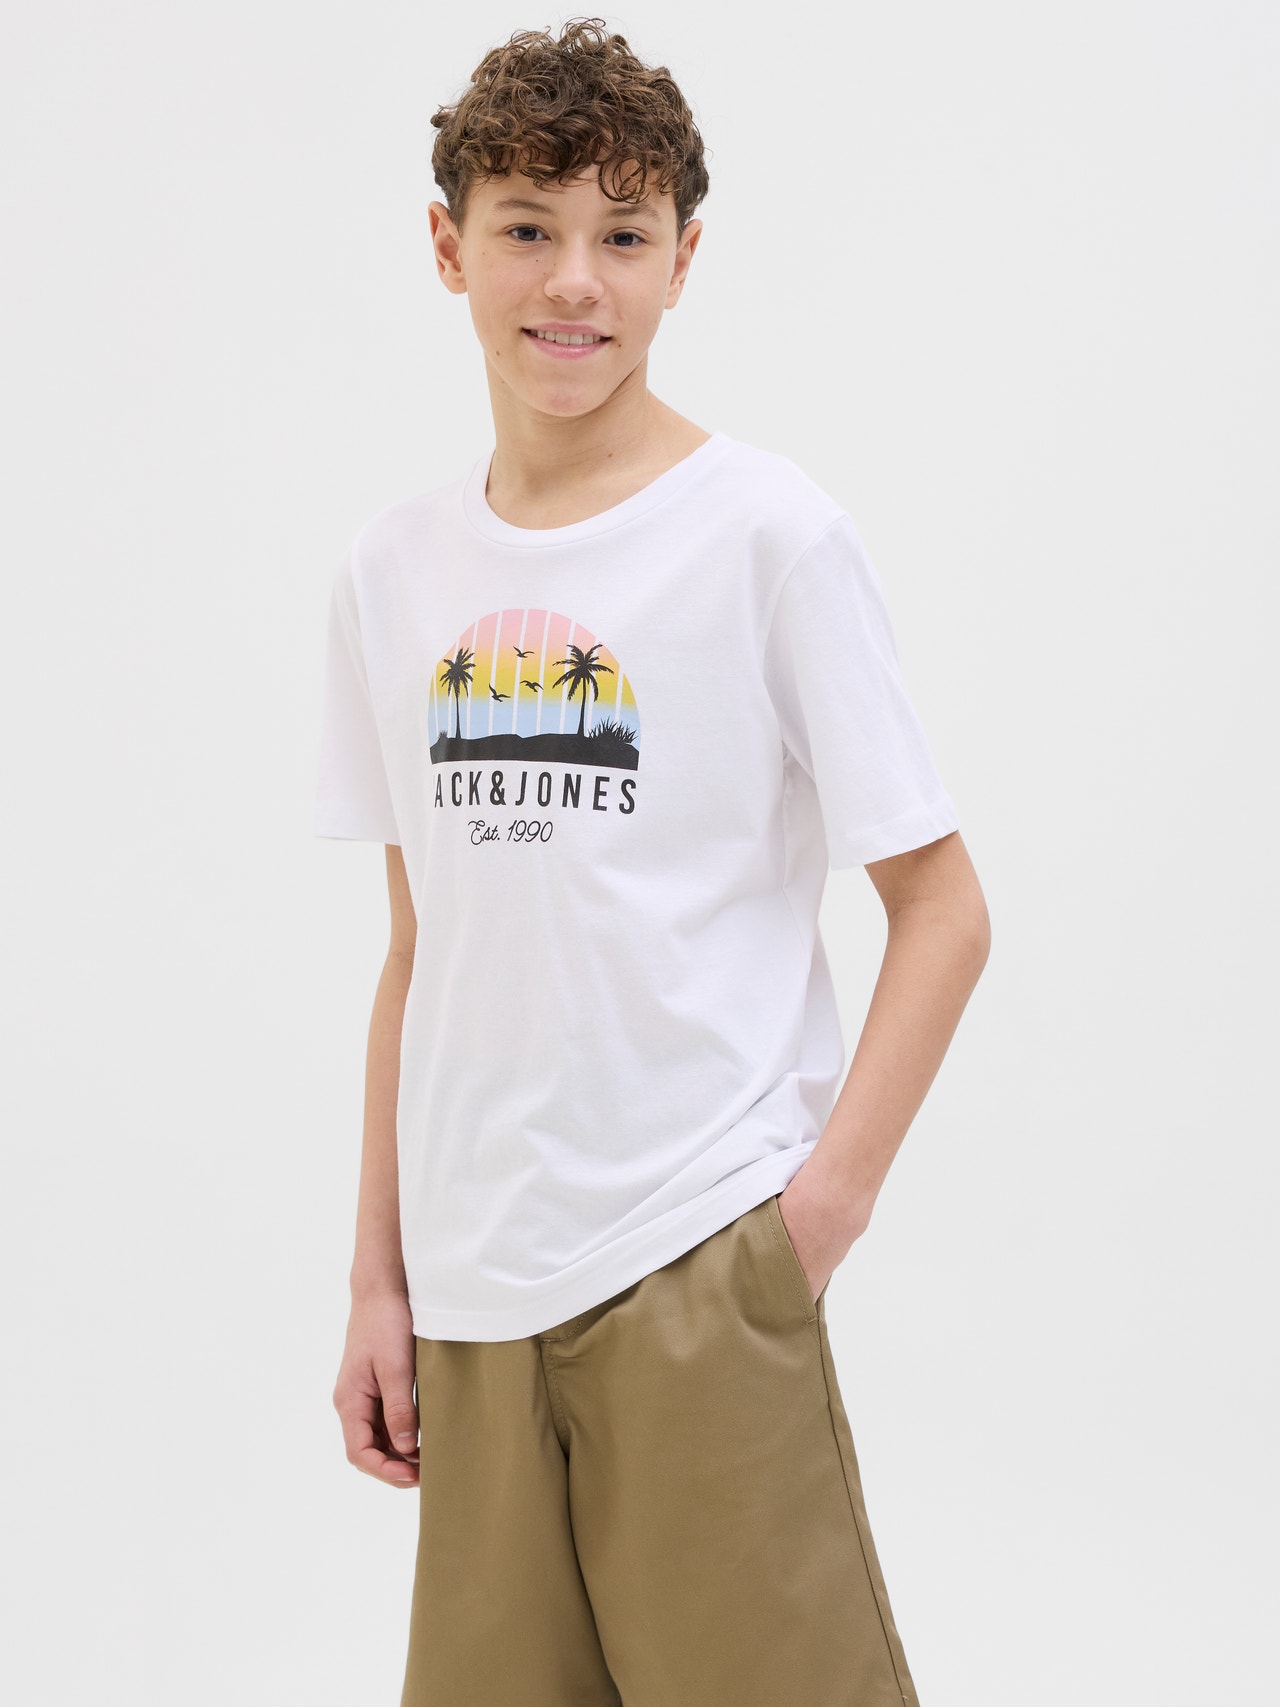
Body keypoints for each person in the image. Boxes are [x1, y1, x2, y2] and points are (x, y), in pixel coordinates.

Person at [312, 17, 990, 1706]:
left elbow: (943, 910)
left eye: (623, 235)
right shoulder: (392, 573)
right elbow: (420, 951)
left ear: (685, 259)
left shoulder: (766, 536)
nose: (574, 281)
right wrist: (378, 1280)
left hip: (695, 1258)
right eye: (528, 227)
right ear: (448, 245)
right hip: (471, 1294)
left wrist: (805, 1227)